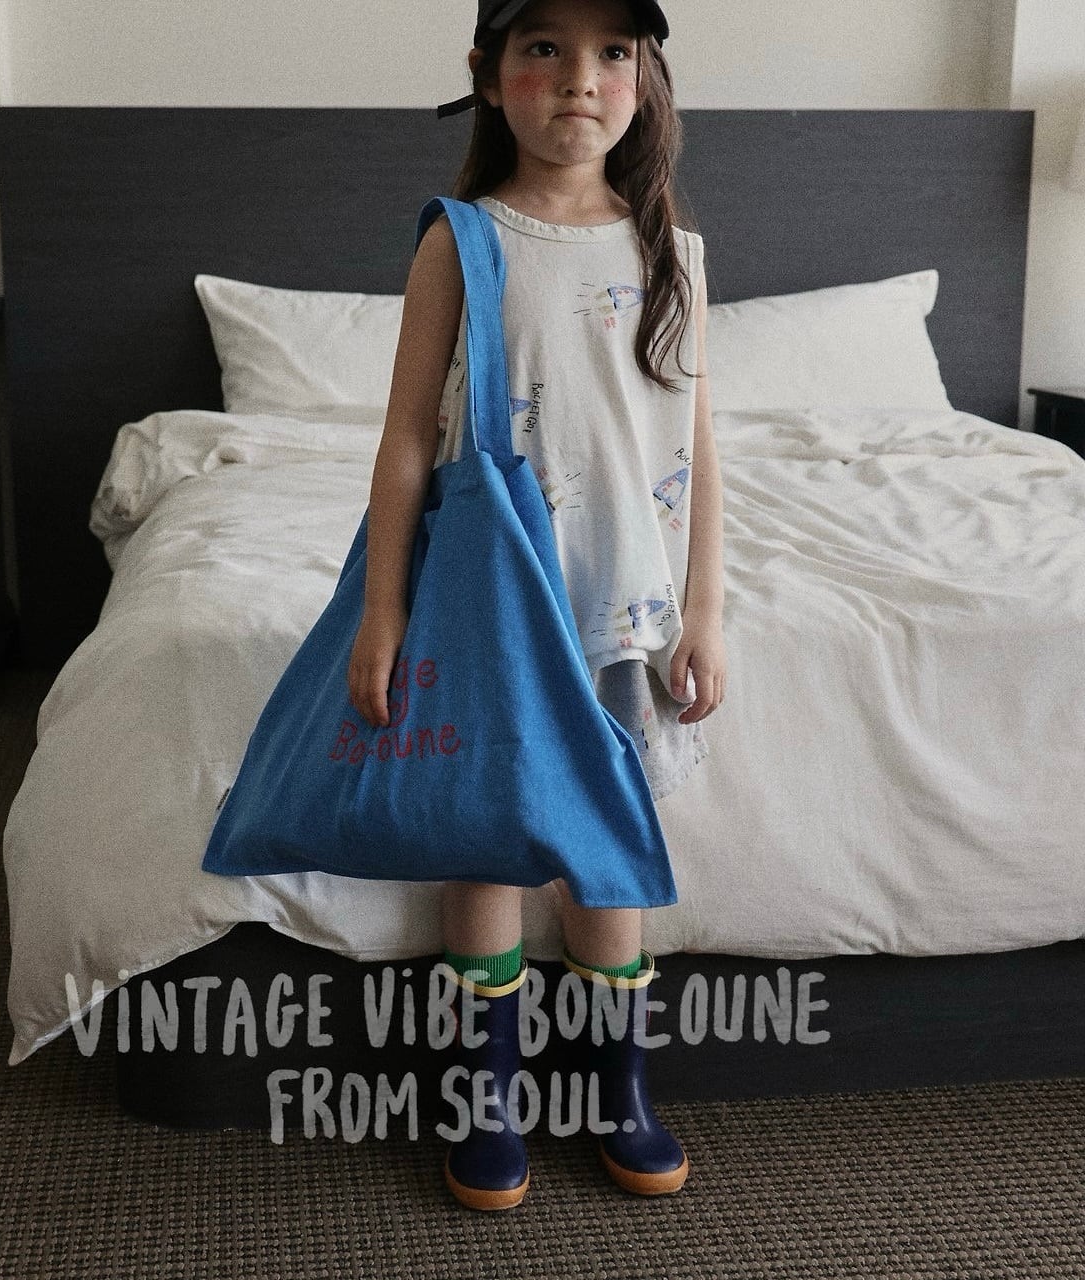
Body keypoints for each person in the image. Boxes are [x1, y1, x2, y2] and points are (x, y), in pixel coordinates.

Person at [347, 0, 727, 1210]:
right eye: (543, 50)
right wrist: (381, 610)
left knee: (605, 849)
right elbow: (407, 439)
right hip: (494, 607)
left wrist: (704, 608)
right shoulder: (460, 240)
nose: (579, 78)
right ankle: (486, 1092)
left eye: (612, 52)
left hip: (622, 609)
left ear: (644, 76)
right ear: (488, 73)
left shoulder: (673, 249)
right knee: (487, 838)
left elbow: (698, 449)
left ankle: (618, 1088)